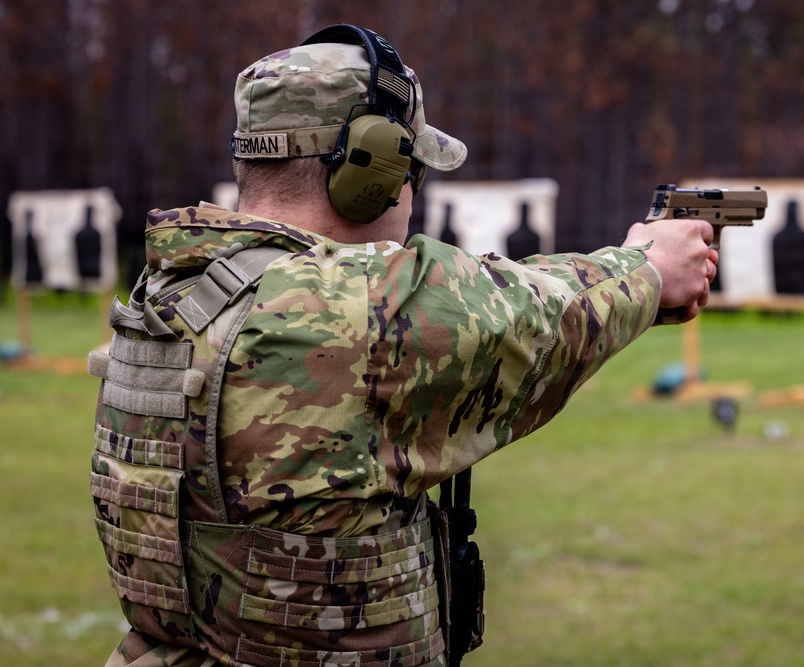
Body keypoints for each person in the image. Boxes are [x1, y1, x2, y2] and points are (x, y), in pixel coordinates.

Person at [87, 24, 718, 667]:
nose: (412, 193)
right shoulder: (359, 306)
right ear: (371, 166)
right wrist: (647, 267)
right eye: (411, 168)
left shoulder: (169, 291)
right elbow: (535, 318)